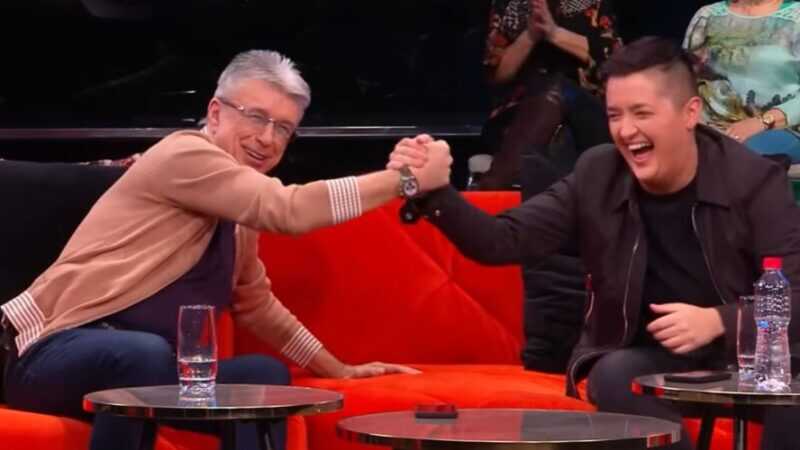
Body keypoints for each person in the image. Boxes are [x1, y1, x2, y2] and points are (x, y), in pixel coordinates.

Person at [0, 49, 452, 450]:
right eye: (256, 117)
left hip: (151, 373)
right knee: (142, 354)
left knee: (264, 379)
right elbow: (288, 209)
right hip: (47, 357)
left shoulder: (239, 210)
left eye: (283, 128)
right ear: (215, 113)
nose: (267, 138)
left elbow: (255, 304)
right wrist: (406, 181)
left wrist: (338, 367)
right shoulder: (184, 155)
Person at [390, 37, 800, 450]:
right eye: (614, 115)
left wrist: (719, 321)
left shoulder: (752, 181)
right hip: (653, 357)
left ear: (690, 113)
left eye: (642, 113)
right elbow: (501, 240)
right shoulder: (598, 174)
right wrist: (433, 191)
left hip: (755, 356)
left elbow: (796, 294)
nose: (626, 131)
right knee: (613, 375)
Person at [479, 0, 621, 189]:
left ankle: (492, 186)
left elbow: (612, 62)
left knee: (558, 88)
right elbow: (497, 74)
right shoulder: (510, 4)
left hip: (587, 112)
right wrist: (530, 35)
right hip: (519, 114)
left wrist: (553, 33)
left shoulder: (594, 3)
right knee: (560, 139)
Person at [684, 0, 800, 163]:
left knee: (738, 158)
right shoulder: (707, 16)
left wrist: (762, 122)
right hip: (707, 122)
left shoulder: (796, 18)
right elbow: (685, 77)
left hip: (778, 127)